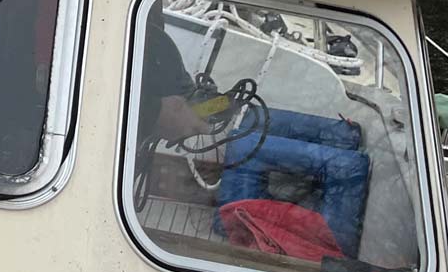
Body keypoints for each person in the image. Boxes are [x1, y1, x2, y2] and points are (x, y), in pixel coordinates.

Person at [141, 19, 369, 258]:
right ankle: (345, 143)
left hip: (331, 218)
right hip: (329, 184)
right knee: (246, 136)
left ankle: (345, 154)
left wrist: (215, 107)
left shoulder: (160, 68)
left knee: (246, 135)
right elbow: (185, 110)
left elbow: (185, 111)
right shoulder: (161, 50)